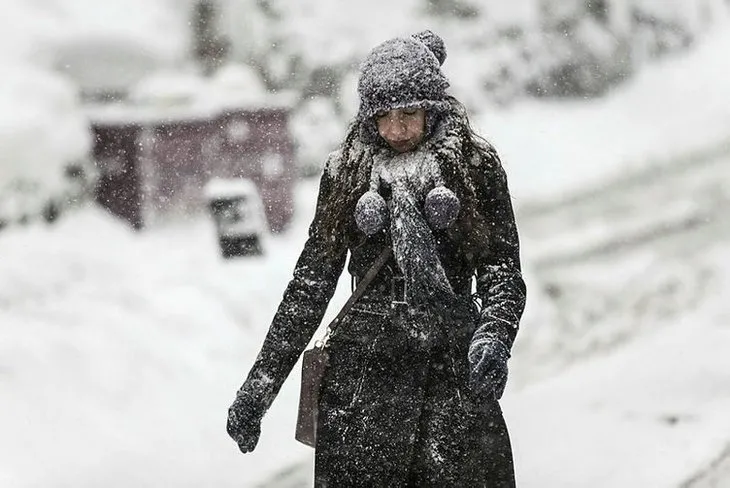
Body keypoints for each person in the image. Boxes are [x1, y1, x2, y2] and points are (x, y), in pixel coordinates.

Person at [227, 30, 526, 487]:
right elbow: (310, 285)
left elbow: (502, 271)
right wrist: (260, 386)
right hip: (363, 393)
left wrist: (494, 336)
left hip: (451, 379)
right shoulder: (346, 172)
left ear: (434, 108)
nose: (397, 129)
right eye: (383, 117)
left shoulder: (474, 165)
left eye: (409, 113)